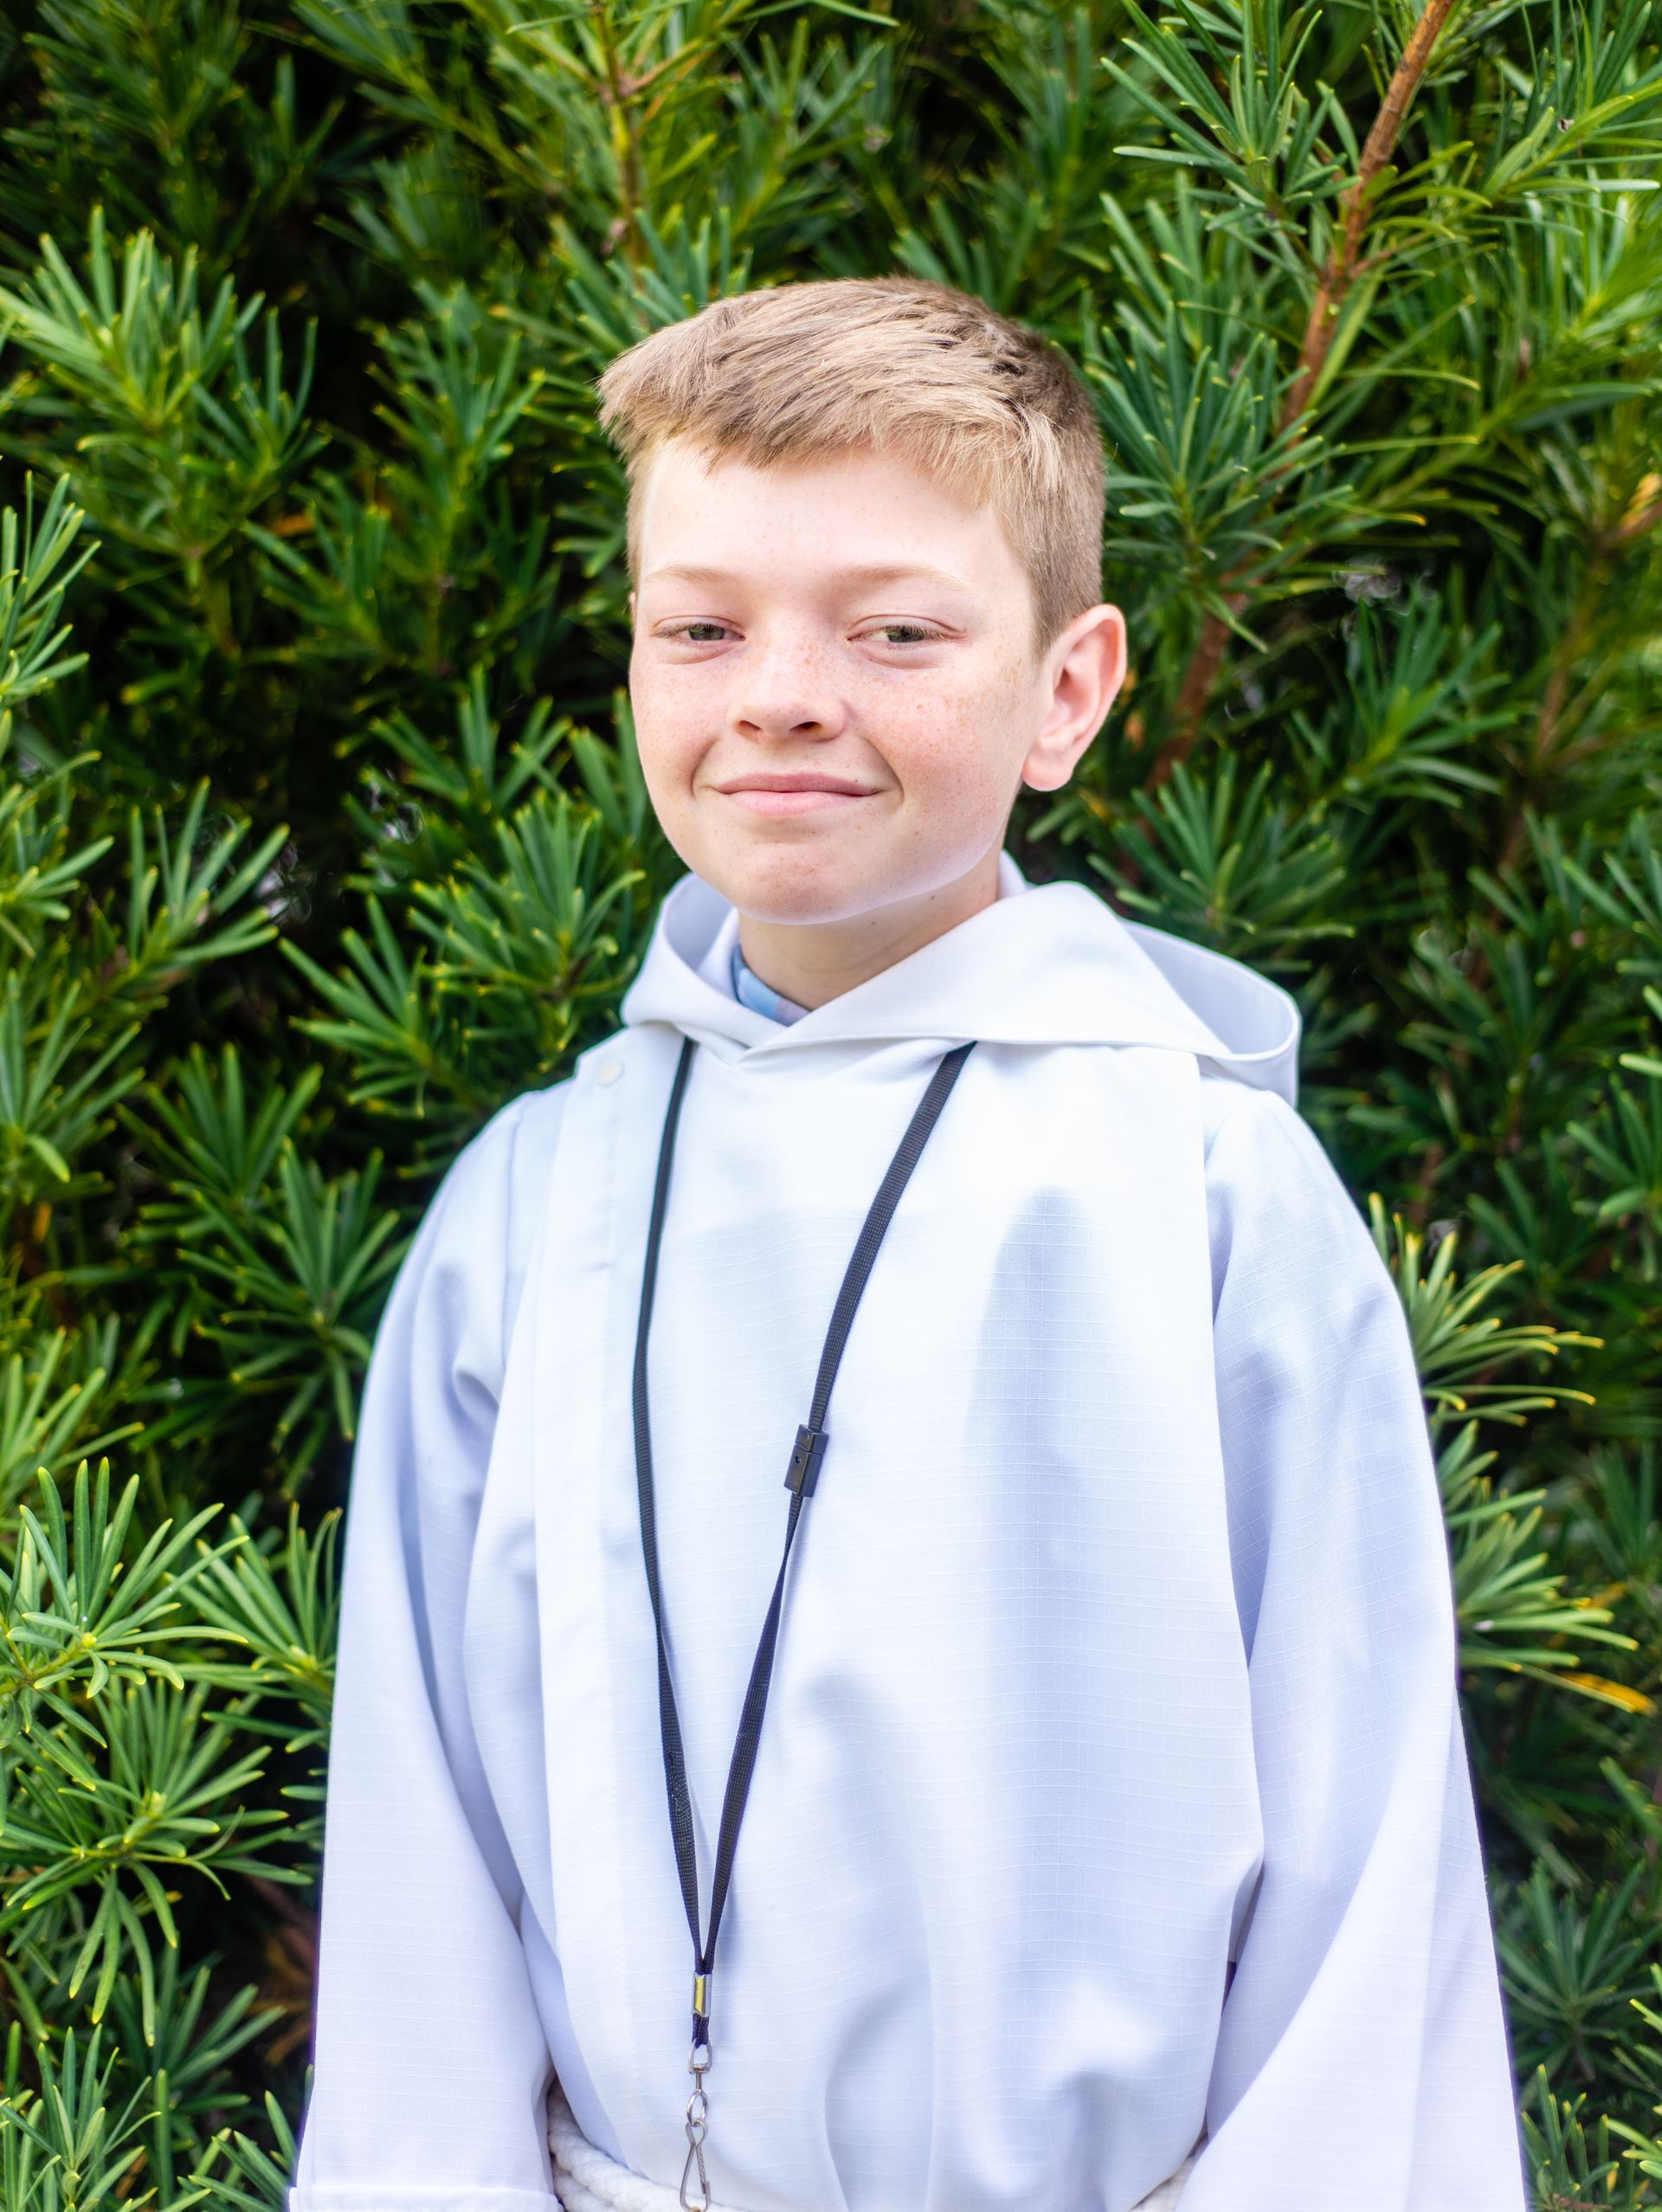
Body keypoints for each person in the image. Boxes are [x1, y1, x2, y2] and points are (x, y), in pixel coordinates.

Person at [288, 280, 1527, 2212]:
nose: (781, 689)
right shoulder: (534, 1203)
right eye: (701, 625)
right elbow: (422, 1861)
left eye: (895, 630)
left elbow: (1362, 1878)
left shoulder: (1202, 1194)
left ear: (1067, 689)